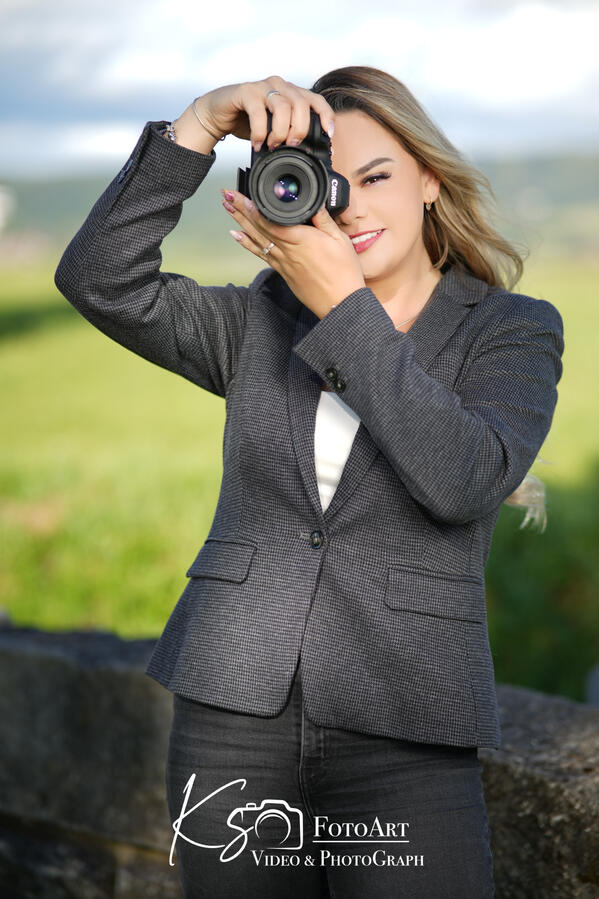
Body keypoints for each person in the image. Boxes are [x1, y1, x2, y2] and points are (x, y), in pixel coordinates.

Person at [55, 67, 564, 898]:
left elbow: (464, 480)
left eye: (377, 177)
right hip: (231, 711)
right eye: (332, 186)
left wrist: (339, 305)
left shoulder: (510, 331)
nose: (354, 208)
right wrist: (193, 126)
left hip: (407, 721)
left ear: (429, 179)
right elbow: (99, 279)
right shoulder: (257, 321)